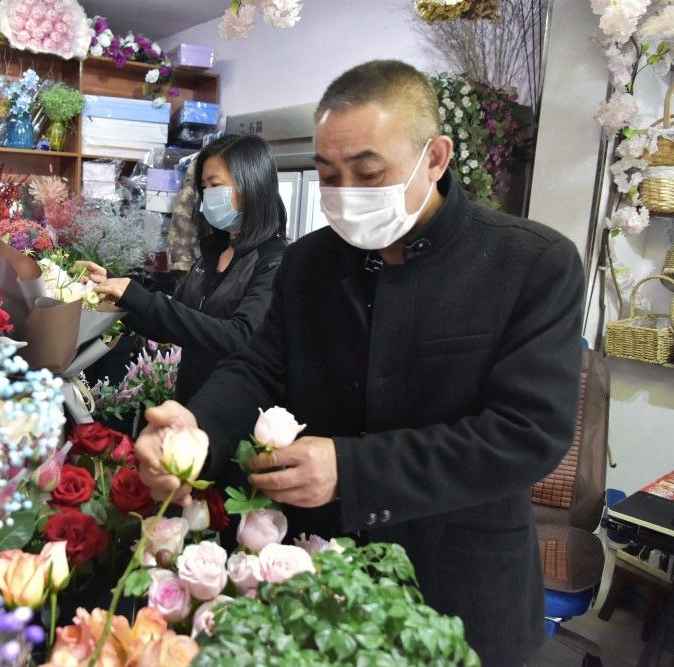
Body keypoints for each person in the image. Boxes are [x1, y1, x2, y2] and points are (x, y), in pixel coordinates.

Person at [132, 60, 584, 667]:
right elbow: (260, 368)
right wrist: (197, 432)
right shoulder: (309, 264)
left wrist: (352, 468)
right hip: (317, 574)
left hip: (461, 583)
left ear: (436, 157)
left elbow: (527, 434)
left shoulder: (531, 265)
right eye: (327, 174)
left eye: (368, 172)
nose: (345, 193)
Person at [83, 133, 288, 404]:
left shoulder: (276, 262)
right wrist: (117, 296)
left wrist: (137, 296)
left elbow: (239, 338)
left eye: (215, 185)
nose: (207, 197)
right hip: (193, 402)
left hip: (236, 411)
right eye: (204, 187)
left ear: (253, 185)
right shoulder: (213, 252)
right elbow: (175, 322)